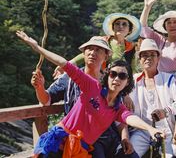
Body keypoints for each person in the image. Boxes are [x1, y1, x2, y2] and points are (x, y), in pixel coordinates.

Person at [16, 31, 163, 157]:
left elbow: (129, 118)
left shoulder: (117, 106)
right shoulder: (91, 86)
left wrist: (150, 129)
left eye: (122, 77)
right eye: (113, 74)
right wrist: (36, 47)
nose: (116, 78)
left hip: (86, 145)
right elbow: (63, 64)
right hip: (61, 140)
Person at [31, 36, 138, 158]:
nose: (93, 53)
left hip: (110, 136)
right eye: (90, 49)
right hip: (83, 139)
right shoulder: (68, 78)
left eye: (98, 50)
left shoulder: (112, 80)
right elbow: (46, 100)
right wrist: (39, 87)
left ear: (106, 56)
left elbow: (120, 116)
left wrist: (125, 138)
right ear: (84, 53)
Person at [129, 38, 176, 157]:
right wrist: (125, 95)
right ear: (140, 59)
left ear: (158, 58)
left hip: (165, 129)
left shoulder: (168, 79)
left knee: (169, 156)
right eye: (144, 55)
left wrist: (166, 111)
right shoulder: (133, 80)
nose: (148, 58)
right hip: (141, 129)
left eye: (152, 54)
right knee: (130, 154)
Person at [52, 13, 141, 79]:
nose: (120, 26)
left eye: (124, 24)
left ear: (129, 30)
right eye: (117, 24)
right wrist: (65, 66)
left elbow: (133, 69)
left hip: (121, 82)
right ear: (113, 27)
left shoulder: (132, 47)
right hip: (100, 79)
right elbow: (86, 55)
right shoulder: (103, 41)